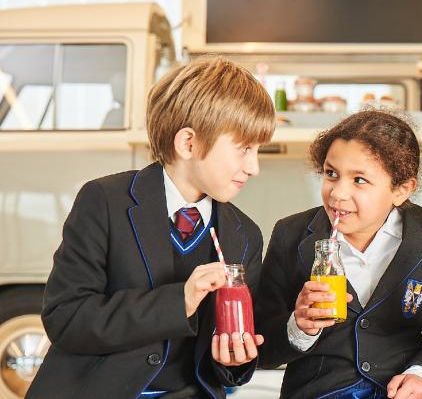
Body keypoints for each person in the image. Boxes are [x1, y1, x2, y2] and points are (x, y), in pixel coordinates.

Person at [27, 55, 275, 399]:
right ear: (188, 143)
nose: (254, 167)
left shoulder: (245, 235)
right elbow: (66, 319)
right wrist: (179, 301)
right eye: (244, 149)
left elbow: (230, 367)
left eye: (259, 150)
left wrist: (234, 361)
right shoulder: (105, 201)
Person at [256, 110, 422, 399]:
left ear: (402, 190)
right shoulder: (290, 235)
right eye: (331, 174)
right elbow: (262, 347)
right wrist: (298, 326)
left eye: (359, 180)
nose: (338, 194)